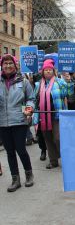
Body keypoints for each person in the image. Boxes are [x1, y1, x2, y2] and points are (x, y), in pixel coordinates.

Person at [0, 54, 35, 192]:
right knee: (9, 152)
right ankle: (15, 179)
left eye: (10, 63)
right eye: (5, 63)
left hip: (19, 121)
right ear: (2, 66)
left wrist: (29, 109)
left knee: (21, 150)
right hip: (3, 122)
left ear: (15, 65)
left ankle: (29, 174)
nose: (8, 66)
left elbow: (31, 98)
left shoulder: (23, 82)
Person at [34, 59, 73, 169]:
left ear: (53, 71)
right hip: (43, 115)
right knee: (48, 139)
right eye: (46, 70)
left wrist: (68, 82)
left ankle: (65, 157)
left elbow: (68, 94)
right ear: (42, 72)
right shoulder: (38, 84)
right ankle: (53, 160)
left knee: (58, 138)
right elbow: (34, 99)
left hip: (56, 115)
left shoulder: (59, 82)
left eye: (50, 70)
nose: (48, 72)